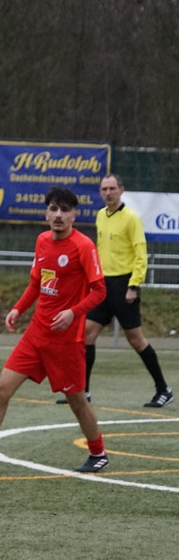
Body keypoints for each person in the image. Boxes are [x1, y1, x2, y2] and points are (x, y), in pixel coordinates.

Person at [0, 187, 111, 473]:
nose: (58, 215)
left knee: (77, 401)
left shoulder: (83, 246)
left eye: (65, 210)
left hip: (66, 341)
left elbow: (100, 291)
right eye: (53, 209)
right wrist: (17, 308)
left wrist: (73, 312)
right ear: (46, 213)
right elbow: (37, 284)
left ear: (74, 215)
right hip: (36, 335)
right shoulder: (42, 241)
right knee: (1, 390)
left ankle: (98, 453)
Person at [55, 173, 173, 408]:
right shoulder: (101, 215)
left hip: (124, 285)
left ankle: (163, 389)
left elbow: (140, 254)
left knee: (136, 340)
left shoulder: (131, 218)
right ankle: (83, 391)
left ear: (121, 190)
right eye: (104, 189)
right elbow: (99, 250)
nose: (108, 193)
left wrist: (134, 285)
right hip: (102, 285)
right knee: (86, 334)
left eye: (112, 188)